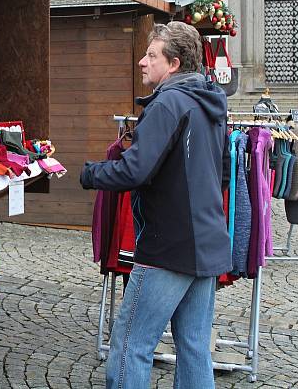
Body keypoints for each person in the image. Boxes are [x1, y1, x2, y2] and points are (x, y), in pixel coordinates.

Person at [80, 21, 231, 389]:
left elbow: (136, 169)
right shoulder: (210, 104)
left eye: (151, 56)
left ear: (174, 63)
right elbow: (222, 175)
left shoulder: (169, 103)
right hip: (206, 243)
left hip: (168, 247)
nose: (142, 63)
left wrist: (90, 173)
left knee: (131, 343)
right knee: (194, 347)